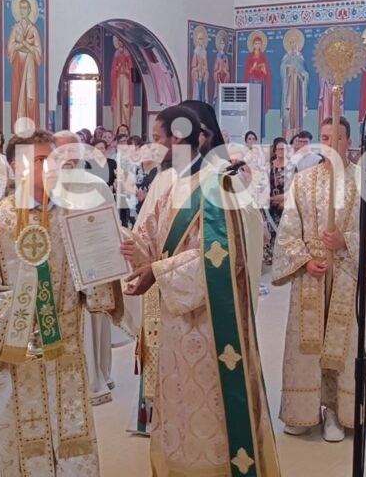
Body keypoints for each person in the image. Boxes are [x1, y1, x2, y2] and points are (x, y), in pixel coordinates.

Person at [120, 106, 280, 476]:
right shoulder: (172, 183)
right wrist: (129, 246)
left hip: (209, 323)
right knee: (177, 404)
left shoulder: (218, 184)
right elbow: (155, 242)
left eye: (157, 138)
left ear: (178, 137)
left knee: (207, 406)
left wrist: (156, 271)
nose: (152, 147)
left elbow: (219, 257)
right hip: (175, 320)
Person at [0, 130, 118, 475]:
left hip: (65, 352)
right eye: (42, 160)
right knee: (17, 438)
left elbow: (97, 292)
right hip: (15, 355)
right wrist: (25, 305)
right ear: (16, 166)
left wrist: (111, 261)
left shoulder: (76, 218)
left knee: (68, 435)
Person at [272, 117, 366, 442]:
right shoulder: (302, 181)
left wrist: (346, 240)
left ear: (348, 142)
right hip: (311, 275)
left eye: (336, 137)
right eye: (324, 137)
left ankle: (337, 411)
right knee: (307, 345)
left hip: (348, 274)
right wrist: (304, 259)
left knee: (343, 345)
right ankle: (303, 410)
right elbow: (288, 229)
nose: (329, 143)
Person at [52, 130, 117, 407]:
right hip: (56, 269)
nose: (67, 157)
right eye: (61, 151)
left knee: (92, 325)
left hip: (90, 268)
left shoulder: (96, 185)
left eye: (72, 151)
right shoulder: (46, 186)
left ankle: (95, 376)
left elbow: (109, 227)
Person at [7, 0, 43, 128]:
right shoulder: (16, 28)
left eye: (25, 8)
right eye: (21, 8)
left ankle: (30, 125)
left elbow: (38, 50)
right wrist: (21, 45)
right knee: (18, 92)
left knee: (30, 94)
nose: (23, 11)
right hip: (18, 63)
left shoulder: (33, 29)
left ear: (29, 10)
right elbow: (10, 47)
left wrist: (25, 44)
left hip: (30, 63)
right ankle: (19, 125)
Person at [264, 137, 288, 266]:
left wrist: (279, 198)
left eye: (283, 149)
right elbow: (262, 184)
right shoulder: (268, 166)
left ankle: (282, 257)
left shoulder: (291, 167)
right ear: (274, 150)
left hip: (285, 204)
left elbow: (293, 188)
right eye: (279, 149)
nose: (281, 151)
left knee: (283, 232)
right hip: (269, 205)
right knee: (269, 231)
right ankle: (269, 256)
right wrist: (269, 198)